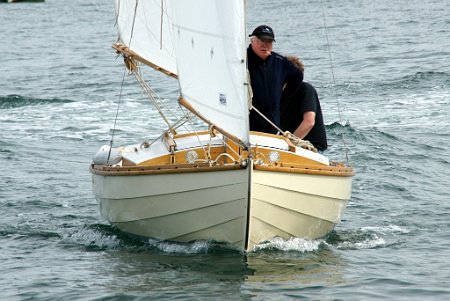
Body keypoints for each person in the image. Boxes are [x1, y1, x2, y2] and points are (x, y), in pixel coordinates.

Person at [247, 25, 304, 134]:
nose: (265, 45)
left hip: (272, 125)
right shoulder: (242, 60)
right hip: (247, 125)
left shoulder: (279, 62)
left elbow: (297, 76)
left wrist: (284, 96)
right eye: (261, 41)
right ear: (252, 41)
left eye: (268, 41)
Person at [280, 56, 328, 152]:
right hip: (287, 146)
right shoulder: (278, 94)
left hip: (312, 148)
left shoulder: (306, 90)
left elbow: (309, 122)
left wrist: (288, 145)